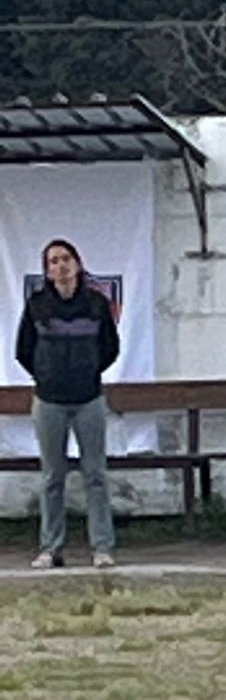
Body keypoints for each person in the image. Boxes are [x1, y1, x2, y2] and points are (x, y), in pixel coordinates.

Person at [14, 238, 120, 570]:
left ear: (77, 263)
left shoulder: (96, 304)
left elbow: (110, 348)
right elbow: (23, 350)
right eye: (53, 261)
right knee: (52, 477)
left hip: (89, 399)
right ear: (47, 270)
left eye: (66, 259)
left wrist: (86, 372)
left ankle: (102, 548)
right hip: (49, 402)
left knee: (95, 475)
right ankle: (51, 548)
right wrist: (48, 376)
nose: (61, 266)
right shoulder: (37, 305)